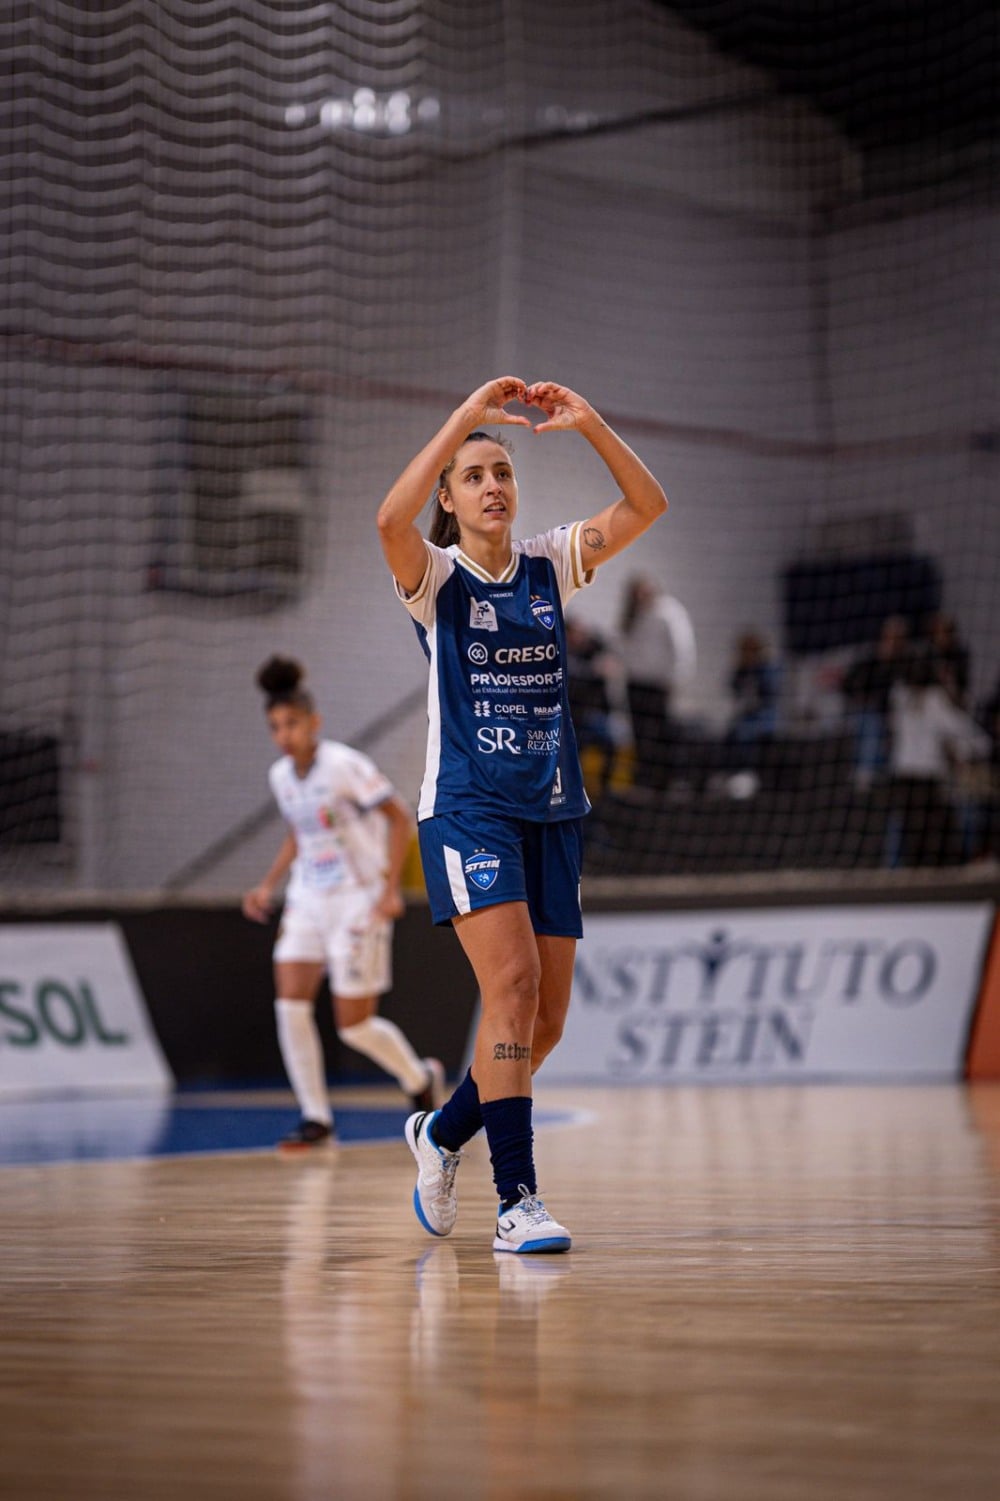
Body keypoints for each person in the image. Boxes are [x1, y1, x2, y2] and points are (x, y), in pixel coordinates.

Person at [376, 375, 667, 1254]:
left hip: (554, 809)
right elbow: (388, 521)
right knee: (509, 989)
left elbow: (647, 505)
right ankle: (518, 1201)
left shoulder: (548, 564)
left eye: (501, 471)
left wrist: (591, 422)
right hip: (469, 809)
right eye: (473, 476)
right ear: (449, 498)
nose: (492, 485)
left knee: (544, 1022)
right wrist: (464, 419)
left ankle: (440, 1132)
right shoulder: (436, 578)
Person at [242, 655, 444, 1150]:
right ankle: (316, 1117)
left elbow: (399, 818)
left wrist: (390, 890)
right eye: (275, 727)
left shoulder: (343, 765)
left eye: (292, 724)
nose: (284, 735)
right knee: (290, 1006)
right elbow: (299, 832)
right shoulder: (281, 777)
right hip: (308, 898)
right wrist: (268, 885)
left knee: (354, 1025)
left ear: (314, 722)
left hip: (358, 899)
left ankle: (418, 1077)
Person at [884, 644, 991, 868]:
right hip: (925, 779)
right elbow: (969, 734)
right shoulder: (931, 699)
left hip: (904, 777)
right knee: (934, 835)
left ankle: (905, 873)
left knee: (913, 834)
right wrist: (977, 747)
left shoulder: (899, 695)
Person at [617, 573, 696, 790]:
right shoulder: (633, 615)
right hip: (636, 683)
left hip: (659, 685)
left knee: (662, 733)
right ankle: (645, 779)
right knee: (640, 734)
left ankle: (667, 781)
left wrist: (677, 679)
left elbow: (682, 648)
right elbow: (625, 647)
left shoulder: (669, 612)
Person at [841, 614, 910, 790]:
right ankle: (865, 771)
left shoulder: (907, 661)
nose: (894, 642)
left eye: (898, 638)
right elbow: (849, 683)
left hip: (900, 712)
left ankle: (896, 771)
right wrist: (862, 696)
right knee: (870, 720)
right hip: (871, 711)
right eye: (891, 637)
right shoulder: (870, 658)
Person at [564, 614, 618, 797]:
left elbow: (608, 660)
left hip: (592, 716)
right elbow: (573, 673)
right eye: (574, 633)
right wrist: (593, 670)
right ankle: (573, 789)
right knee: (573, 752)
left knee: (611, 743)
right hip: (570, 720)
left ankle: (605, 789)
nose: (578, 637)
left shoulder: (594, 650)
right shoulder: (562, 653)